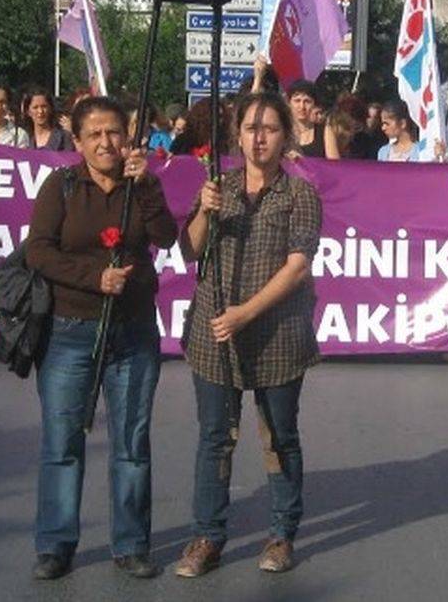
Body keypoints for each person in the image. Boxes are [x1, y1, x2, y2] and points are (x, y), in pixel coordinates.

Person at [25, 96, 177, 581]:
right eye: (95, 135)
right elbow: (39, 253)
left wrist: (148, 185)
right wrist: (95, 278)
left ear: (127, 134)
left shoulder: (141, 185)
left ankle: (131, 543)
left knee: (131, 443)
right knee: (62, 441)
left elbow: (168, 237)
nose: (106, 143)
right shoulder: (62, 186)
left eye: (114, 132)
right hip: (71, 331)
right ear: (79, 142)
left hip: (132, 332)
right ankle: (55, 543)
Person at [175, 91, 322, 578]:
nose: (259, 138)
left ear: (286, 136)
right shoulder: (219, 188)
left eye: (270, 128)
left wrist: (246, 313)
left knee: (278, 437)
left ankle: (282, 533)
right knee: (216, 438)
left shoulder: (299, 194)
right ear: (236, 135)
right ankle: (208, 537)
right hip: (214, 334)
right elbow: (191, 251)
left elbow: (298, 266)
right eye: (250, 128)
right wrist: (204, 211)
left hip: (278, 334)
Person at [287, 80, 340, 159]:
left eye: (307, 101)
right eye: (297, 101)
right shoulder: (282, 129)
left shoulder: (324, 130)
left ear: (314, 104)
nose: (302, 106)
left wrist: (303, 162)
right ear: (289, 103)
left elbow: (334, 165)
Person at [22, 87, 74, 151]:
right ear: (28, 112)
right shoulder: (24, 139)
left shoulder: (64, 137)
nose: (40, 111)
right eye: (35, 107)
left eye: (44, 106)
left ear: (50, 109)